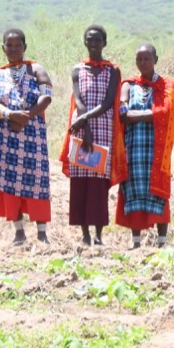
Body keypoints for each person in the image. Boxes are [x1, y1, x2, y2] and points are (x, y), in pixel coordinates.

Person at [0, 28, 54, 246]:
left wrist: (26, 117)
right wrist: (10, 115)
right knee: (10, 183)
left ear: (25, 47)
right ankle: (19, 232)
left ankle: (42, 233)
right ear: (3, 48)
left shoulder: (36, 69)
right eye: (9, 45)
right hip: (8, 139)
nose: (14, 49)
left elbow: (47, 97)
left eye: (18, 45)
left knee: (37, 182)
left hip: (33, 137)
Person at [111, 44, 174, 248]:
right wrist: (151, 116)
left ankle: (163, 241)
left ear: (155, 59)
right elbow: (122, 112)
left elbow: (167, 113)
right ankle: (136, 242)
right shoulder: (128, 85)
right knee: (133, 190)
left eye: (147, 59)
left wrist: (135, 115)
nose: (142, 63)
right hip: (133, 148)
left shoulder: (166, 85)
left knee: (159, 192)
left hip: (157, 150)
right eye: (139, 59)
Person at [61, 25, 120, 245]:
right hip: (80, 129)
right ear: (85, 42)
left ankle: (98, 235)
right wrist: (84, 126)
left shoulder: (112, 70)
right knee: (81, 183)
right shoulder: (78, 69)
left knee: (99, 185)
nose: (93, 44)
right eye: (89, 40)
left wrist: (85, 121)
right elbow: (78, 100)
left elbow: (108, 103)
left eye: (97, 40)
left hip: (103, 129)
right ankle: (85, 236)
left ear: (105, 43)